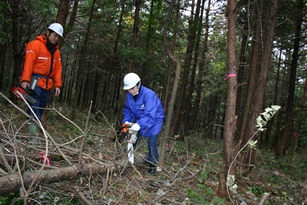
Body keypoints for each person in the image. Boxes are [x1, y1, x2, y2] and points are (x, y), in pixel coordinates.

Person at [20, 23, 64, 130]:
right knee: (34, 107)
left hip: (47, 85)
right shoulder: (35, 45)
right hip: (35, 81)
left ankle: (33, 133)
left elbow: (58, 69)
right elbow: (28, 63)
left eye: (58, 37)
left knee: (40, 109)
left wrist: (57, 85)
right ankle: (32, 138)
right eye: (55, 35)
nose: (56, 38)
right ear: (48, 32)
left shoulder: (56, 52)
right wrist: (25, 79)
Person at [122, 72, 164, 175]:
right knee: (132, 139)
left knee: (151, 144)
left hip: (154, 120)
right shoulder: (129, 96)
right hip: (141, 120)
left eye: (132, 88)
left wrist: (139, 124)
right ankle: (125, 161)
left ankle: (152, 166)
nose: (130, 91)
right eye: (128, 89)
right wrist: (127, 121)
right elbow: (128, 111)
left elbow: (150, 115)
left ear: (138, 84)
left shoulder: (149, 95)